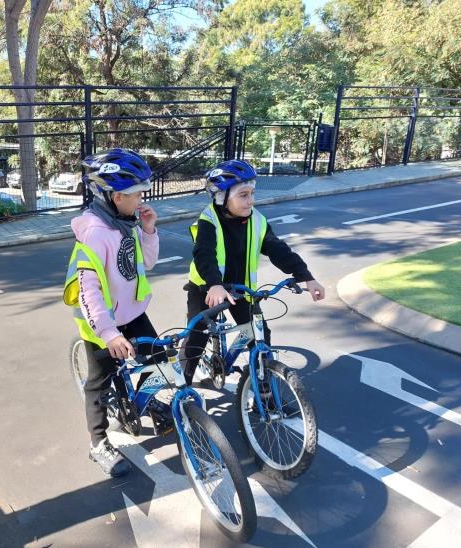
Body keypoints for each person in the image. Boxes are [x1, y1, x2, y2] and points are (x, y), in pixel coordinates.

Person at [63, 148, 167, 477]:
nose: (142, 200)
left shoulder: (126, 223)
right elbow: (88, 290)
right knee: (99, 381)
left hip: (131, 312)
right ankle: (98, 443)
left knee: (157, 358)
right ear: (117, 196)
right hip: (100, 322)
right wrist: (108, 334)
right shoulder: (95, 233)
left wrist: (148, 230)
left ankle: (146, 399)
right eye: (137, 195)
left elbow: (146, 263)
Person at [180, 159, 326, 385]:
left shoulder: (257, 220)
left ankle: (264, 391)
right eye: (243, 195)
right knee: (196, 338)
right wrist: (214, 284)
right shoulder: (208, 221)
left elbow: (278, 250)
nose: (251, 201)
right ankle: (181, 392)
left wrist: (306, 276)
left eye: (252, 194)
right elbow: (204, 254)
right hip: (207, 288)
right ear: (222, 196)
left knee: (260, 336)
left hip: (240, 289)